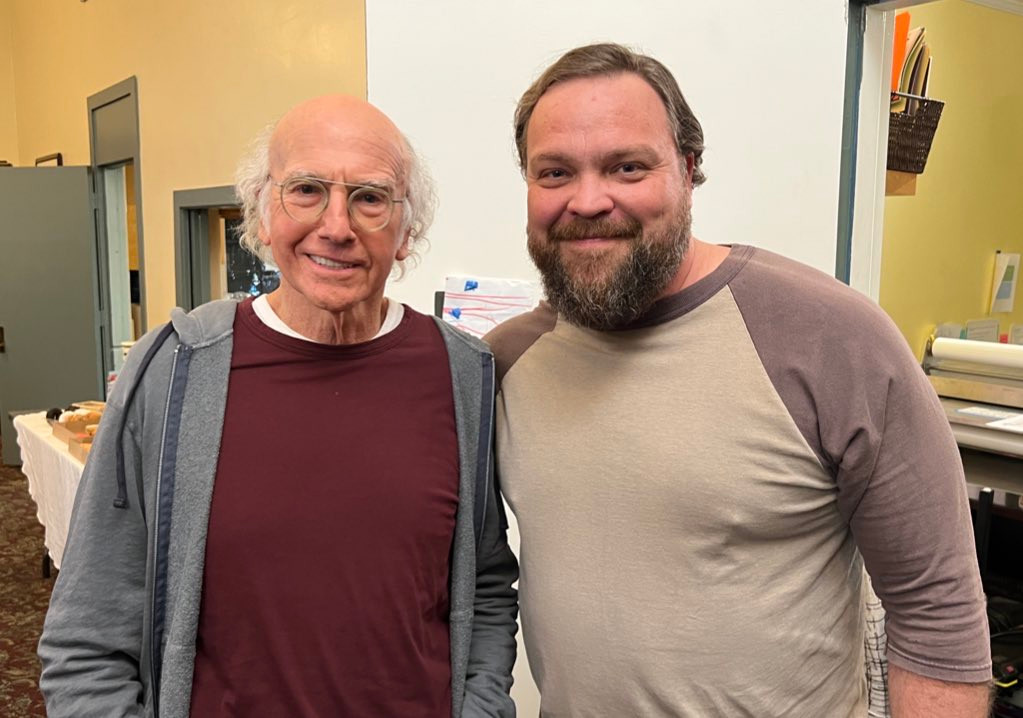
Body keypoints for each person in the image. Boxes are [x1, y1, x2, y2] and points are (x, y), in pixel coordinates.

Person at [486, 43, 990, 717]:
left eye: (627, 167)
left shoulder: (833, 340)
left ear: (688, 168)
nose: (588, 200)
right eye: (554, 173)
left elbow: (937, 612)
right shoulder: (505, 364)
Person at [39, 94, 518, 718]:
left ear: (406, 233)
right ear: (262, 214)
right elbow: (89, 631)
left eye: (370, 198)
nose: (337, 226)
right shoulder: (174, 368)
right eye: (307, 190)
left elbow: (484, 586)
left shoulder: (462, 372)